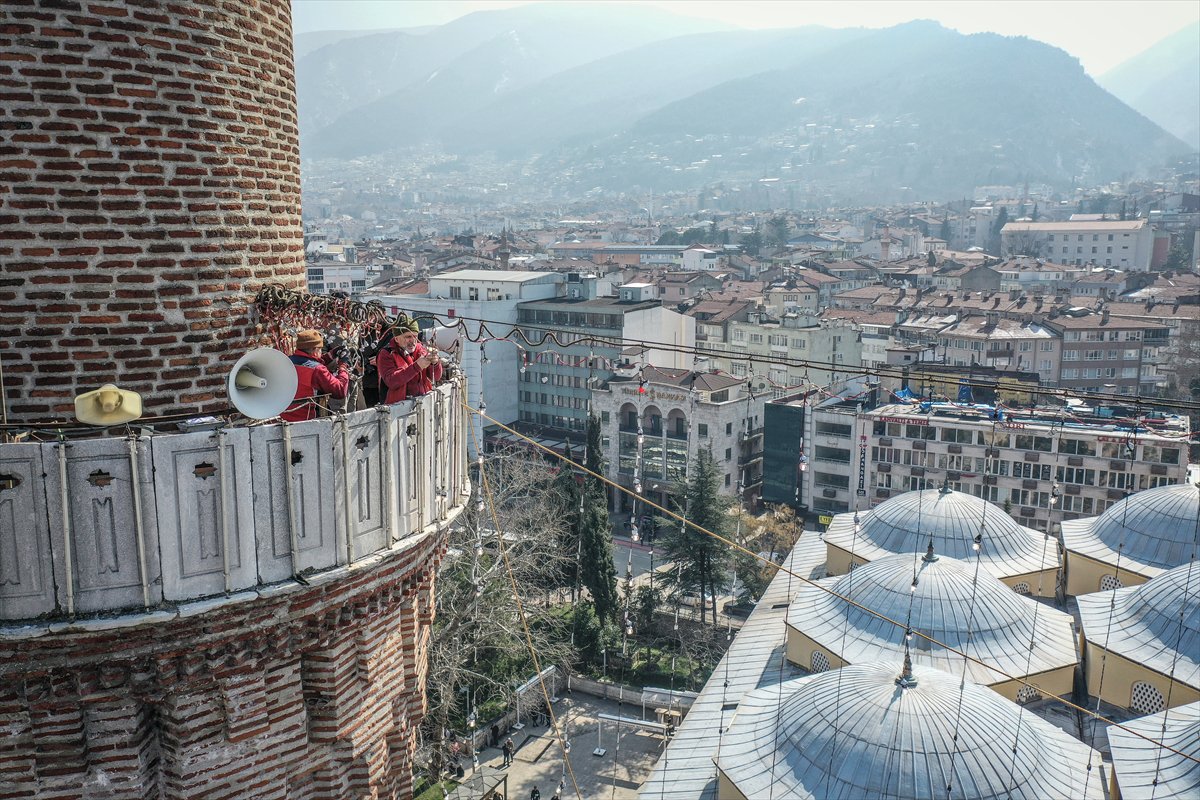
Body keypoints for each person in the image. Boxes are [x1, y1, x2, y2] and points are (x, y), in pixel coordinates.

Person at [281, 329, 350, 422]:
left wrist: (331, 355)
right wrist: (343, 366)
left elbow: (307, 362)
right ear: (316, 350)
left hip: (284, 417)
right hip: (308, 421)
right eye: (320, 349)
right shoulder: (317, 370)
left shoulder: (287, 361)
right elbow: (340, 391)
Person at [377, 314, 442, 404]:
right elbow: (392, 381)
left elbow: (436, 377)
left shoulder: (420, 349)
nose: (413, 340)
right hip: (398, 408)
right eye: (408, 337)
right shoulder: (386, 354)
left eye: (415, 336)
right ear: (396, 339)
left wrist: (435, 363)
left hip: (421, 404)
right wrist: (417, 367)